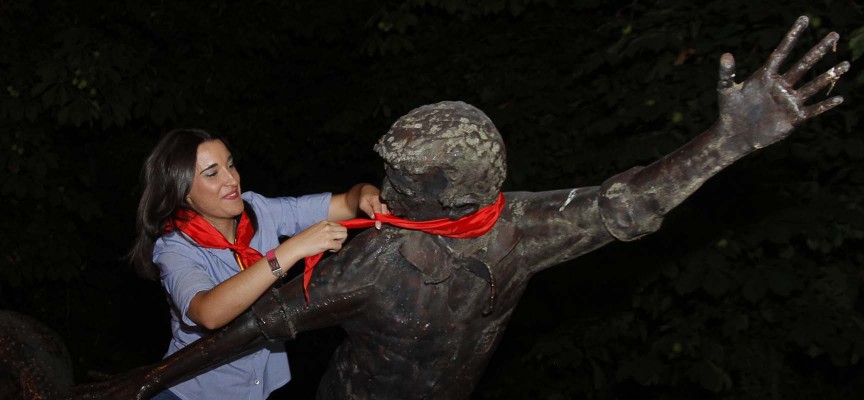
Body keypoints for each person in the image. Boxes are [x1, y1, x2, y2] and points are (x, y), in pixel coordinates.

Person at [70, 16, 848, 400]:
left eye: (400, 176)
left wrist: (731, 141)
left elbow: (624, 207)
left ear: (447, 191)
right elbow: (234, 325)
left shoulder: (516, 228)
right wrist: (147, 384)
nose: (387, 184)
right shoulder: (390, 255)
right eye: (214, 171)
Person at [126, 129, 386, 400]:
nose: (232, 179)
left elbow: (345, 202)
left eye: (230, 165)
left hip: (261, 389)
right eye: (212, 174)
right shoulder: (174, 248)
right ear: (183, 193)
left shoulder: (258, 210)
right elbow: (208, 312)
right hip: (194, 392)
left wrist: (366, 193)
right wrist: (290, 251)